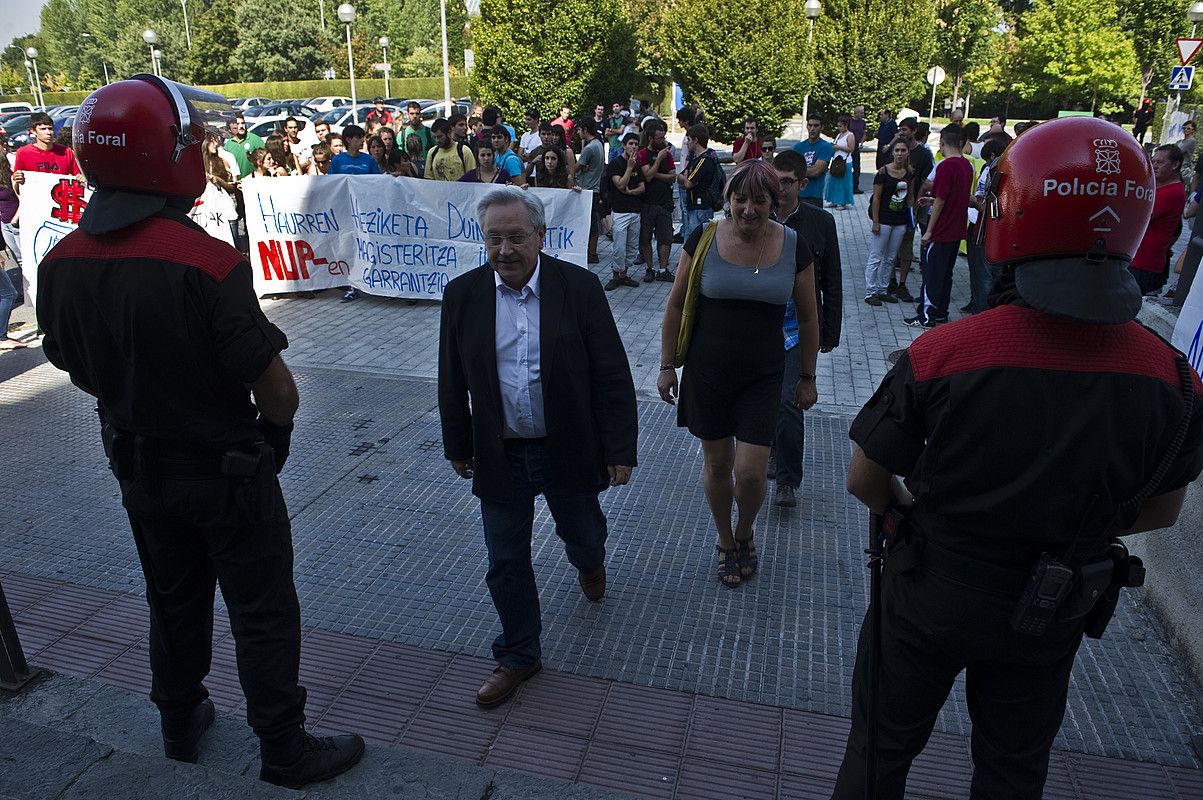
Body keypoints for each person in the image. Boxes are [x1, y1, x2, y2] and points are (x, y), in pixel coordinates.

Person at [830, 115, 1203, 800]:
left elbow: (864, 480)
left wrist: (910, 509)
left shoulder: (944, 354)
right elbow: (1160, 508)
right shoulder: (1172, 377)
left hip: (930, 590)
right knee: (1012, 771)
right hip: (1052, 602)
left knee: (878, 752)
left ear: (1008, 214)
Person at [36, 75, 365, 789]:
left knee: (172, 600)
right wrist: (271, 442)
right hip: (225, 471)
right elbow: (276, 390)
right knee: (262, 610)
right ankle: (283, 746)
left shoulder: (59, 263)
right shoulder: (205, 261)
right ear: (168, 153)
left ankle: (178, 720)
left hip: (137, 467)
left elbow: (69, 363)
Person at [438, 186, 638, 708]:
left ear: (541, 237)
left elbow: (612, 374)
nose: (505, 250)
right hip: (500, 452)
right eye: (494, 238)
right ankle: (519, 654)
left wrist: (620, 448)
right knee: (505, 558)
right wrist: (458, 443)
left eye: (516, 237)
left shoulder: (580, 288)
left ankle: (590, 563)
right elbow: (450, 377)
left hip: (567, 446)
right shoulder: (462, 296)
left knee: (583, 531)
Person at [657, 160, 820, 587]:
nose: (748, 209)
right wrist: (666, 366)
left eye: (759, 200)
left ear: (775, 201)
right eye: (739, 199)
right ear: (727, 200)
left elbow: (808, 318)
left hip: (764, 375)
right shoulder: (704, 237)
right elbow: (675, 304)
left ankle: (745, 529)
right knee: (717, 464)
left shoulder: (794, 245)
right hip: (707, 372)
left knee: (749, 473)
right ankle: (726, 540)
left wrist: (807, 375)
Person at [769, 151, 841, 509]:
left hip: (797, 328)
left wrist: (830, 333)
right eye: (774, 179)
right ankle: (769, 450)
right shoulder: (755, 214)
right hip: (760, 326)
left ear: (802, 184)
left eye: (786, 181)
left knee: (789, 401)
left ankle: (787, 481)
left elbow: (832, 280)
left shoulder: (819, 222)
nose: (778, 188)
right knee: (762, 399)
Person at [904, 124, 973, 328]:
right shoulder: (966, 166)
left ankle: (926, 316)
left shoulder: (945, 166)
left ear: (942, 142)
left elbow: (942, 199)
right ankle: (941, 313)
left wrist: (929, 231)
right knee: (946, 275)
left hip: (941, 231)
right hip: (956, 229)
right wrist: (932, 201)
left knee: (932, 274)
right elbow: (956, 197)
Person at [1130, 144, 1186, 296]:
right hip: (1141, 259)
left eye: (1160, 162)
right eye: (1153, 161)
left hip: (1145, 263)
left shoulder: (1172, 193)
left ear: (1175, 165)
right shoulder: (1159, 188)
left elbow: (1136, 218)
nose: (1154, 166)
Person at [864, 141, 913, 306]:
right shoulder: (883, 172)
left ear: (907, 153)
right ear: (892, 152)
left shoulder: (909, 173)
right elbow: (876, 197)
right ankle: (870, 291)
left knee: (890, 258)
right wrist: (876, 221)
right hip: (884, 220)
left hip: (900, 222)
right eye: (897, 150)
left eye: (903, 150)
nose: (900, 153)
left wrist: (910, 221)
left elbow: (909, 199)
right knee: (876, 257)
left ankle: (883, 289)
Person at [605, 132, 646, 290]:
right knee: (619, 246)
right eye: (630, 144)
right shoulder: (616, 163)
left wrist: (631, 192)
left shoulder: (637, 164)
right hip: (620, 211)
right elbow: (620, 185)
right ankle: (616, 274)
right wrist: (629, 168)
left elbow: (642, 187)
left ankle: (625, 274)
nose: (634, 147)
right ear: (624, 145)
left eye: (636, 144)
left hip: (635, 211)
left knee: (632, 246)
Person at [637, 119, 676, 283]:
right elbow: (646, 175)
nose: (664, 141)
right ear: (651, 138)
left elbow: (672, 177)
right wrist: (659, 160)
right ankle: (650, 268)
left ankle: (663, 268)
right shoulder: (643, 155)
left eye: (664, 137)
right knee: (645, 238)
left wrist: (655, 175)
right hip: (647, 203)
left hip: (664, 203)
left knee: (666, 237)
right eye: (660, 138)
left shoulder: (669, 155)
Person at [677, 124, 720, 243]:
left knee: (695, 241)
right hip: (695, 206)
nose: (687, 143)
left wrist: (681, 177)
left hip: (701, 207)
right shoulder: (695, 159)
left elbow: (688, 182)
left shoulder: (704, 160)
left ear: (696, 140)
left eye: (689, 140)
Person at [12, 111, 82, 180]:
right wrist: (17, 179)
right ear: (33, 131)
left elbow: (77, 177)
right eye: (43, 129)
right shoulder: (23, 153)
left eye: (50, 128)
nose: (48, 132)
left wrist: (80, 178)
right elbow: (17, 182)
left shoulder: (66, 152)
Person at [576, 119, 606, 263]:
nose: (577, 132)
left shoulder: (589, 149)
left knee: (590, 225)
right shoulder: (598, 144)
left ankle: (591, 253)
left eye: (579, 129)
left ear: (585, 129)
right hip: (595, 188)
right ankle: (592, 252)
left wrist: (581, 167)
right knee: (593, 222)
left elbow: (575, 168)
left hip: (587, 190)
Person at [793, 113, 832, 207]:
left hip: (814, 196)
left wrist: (799, 170)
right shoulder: (798, 147)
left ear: (822, 127)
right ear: (807, 126)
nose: (812, 128)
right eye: (810, 125)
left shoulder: (825, 147)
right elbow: (792, 170)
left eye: (816, 125)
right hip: (797, 195)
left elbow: (816, 172)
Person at [824, 116, 855, 209]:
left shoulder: (850, 135)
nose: (839, 128)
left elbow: (851, 149)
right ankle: (833, 200)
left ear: (846, 125)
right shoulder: (839, 135)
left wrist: (839, 147)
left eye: (841, 126)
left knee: (843, 183)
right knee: (833, 181)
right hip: (836, 160)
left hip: (845, 161)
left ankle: (842, 202)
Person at [223, 114, 264, 179]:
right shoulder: (228, 145)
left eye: (243, 123)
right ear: (230, 129)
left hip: (253, 181)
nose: (241, 126)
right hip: (237, 183)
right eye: (237, 124)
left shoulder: (255, 139)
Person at [848, 106, 867, 193]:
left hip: (856, 149)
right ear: (856, 113)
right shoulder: (849, 122)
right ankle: (846, 187)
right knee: (847, 168)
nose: (862, 114)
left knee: (857, 169)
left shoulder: (863, 123)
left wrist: (861, 142)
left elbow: (864, 134)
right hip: (848, 148)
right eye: (861, 113)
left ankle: (855, 187)